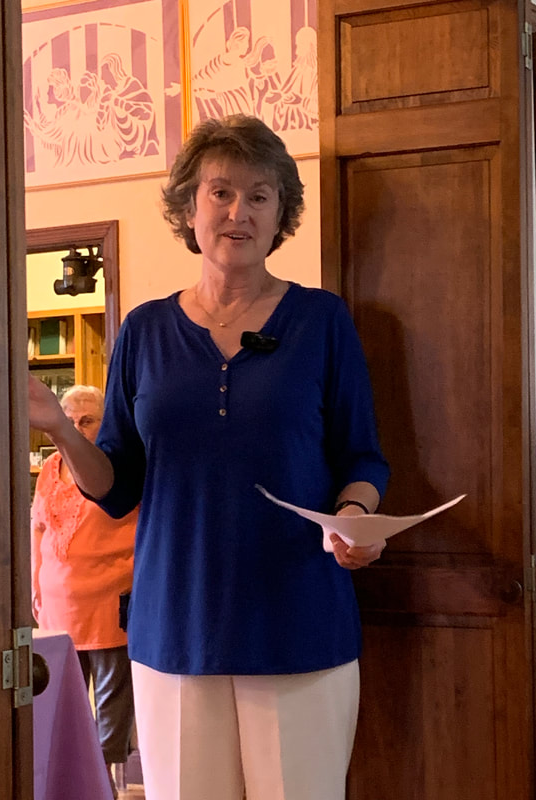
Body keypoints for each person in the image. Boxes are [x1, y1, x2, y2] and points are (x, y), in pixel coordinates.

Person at [28, 113, 390, 800]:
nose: (237, 212)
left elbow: (364, 459)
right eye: (220, 192)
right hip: (174, 626)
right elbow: (117, 485)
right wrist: (62, 431)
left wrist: (353, 516)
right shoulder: (143, 330)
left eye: (259, 195)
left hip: (300, 624)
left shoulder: (322, 321)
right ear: (188, 208)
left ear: (280, 214)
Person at [30, 385, 137, 800]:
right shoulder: (49, 468)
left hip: (109, 601)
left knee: (111, 706)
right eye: (69, 419)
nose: (76, 428)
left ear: (105, 423)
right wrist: (35, 581)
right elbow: (38, 528)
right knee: (60, 702)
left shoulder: (118, 468)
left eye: (87, 421)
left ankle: (102, 784)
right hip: (58, 606)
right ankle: (66, 782)